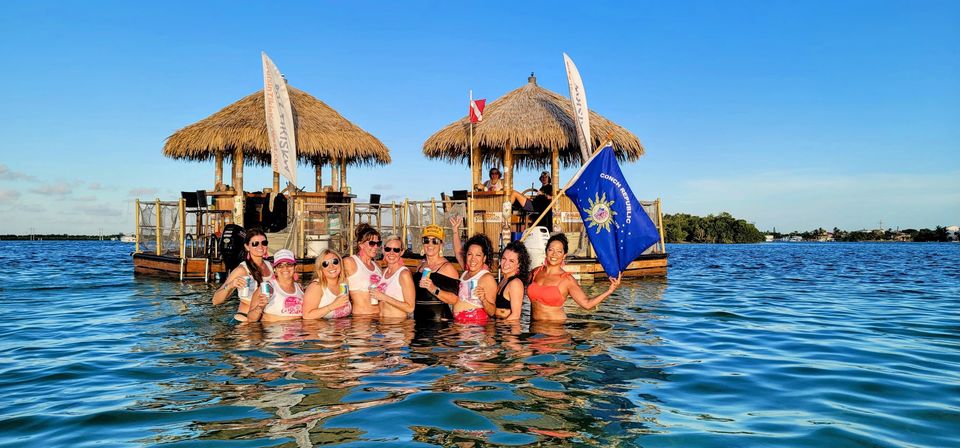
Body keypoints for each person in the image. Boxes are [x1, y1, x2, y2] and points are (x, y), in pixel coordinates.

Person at [528, 234, 621, 322]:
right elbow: (519, 284)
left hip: (555, 331)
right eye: (551, 250)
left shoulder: (567, 280)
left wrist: (609, 291)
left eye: (559, 251)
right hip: (534, 329)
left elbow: (587, 304)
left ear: (564, 255)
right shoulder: (536, 272)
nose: (554, 254)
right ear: (546, 251)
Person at [212, 227, 274, 322]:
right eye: (255, 244)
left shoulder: (271, 266)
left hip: (264, 319)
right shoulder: (241, 270)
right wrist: (231, 285)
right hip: (245, 321)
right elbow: (215, 300)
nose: (260, 247)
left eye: (264, 243)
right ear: (247, 246)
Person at [414, 225, 457, 323]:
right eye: (426, 240)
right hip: (419, 322)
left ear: (441, 245)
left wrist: (433, 289)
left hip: (440, 325)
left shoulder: (447, 268)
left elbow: (454, 299)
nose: (430, 244)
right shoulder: (420, 266)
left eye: (435, 241)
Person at [451, 234, 498, 324]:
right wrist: (455, 230)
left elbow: (492, 312)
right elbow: (458, 253)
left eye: (478, 255)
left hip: (475, 327)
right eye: (470, 254)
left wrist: (483, 299)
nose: (473, 259)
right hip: (461, 325)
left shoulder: (487, 278)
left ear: (484, 258)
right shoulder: (465, 273)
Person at [246, 249, 303, 323]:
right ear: (275, 269)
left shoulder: (300, 288)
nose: (285, 268)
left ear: (295, 267)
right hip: (274, 332)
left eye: (289, 264)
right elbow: (251, 319)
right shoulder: (267, 288)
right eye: (280, 266)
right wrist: (260, 307)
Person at [371, 235, 416, 321]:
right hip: (383, 325)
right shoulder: (384, 272)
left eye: (396, 250)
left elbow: (410, 307)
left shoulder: (404, 274)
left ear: (401, 252)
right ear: (384, 250)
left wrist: (384, 297)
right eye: (388, 249)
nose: (391, 253)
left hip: (397, 326)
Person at [342, 223, 383, 317]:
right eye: (372, 243)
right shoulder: (350, 262)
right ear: (361, 245)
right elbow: (335, 285)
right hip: (362, 319)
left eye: (378, 243)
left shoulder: (377, 266)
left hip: (380, 318)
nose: (376, 247)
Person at [302, 248, 352, 319]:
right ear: (320, 268)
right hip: (323, 328)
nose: (331, 266)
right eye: (325, 264)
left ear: (340, 263)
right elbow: (307, 315)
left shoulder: (344, 283)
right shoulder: (316, 286)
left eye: (335, 261)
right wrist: (333, 306)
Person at [495, 241, 530, 321]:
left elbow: (516, 315)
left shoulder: (515, 283)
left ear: (519, 264)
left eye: (511, 261)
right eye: (504, 259)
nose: (505, 264)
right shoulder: (504, 279)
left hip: (507, 329)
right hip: (499, 325)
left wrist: (501, 328)